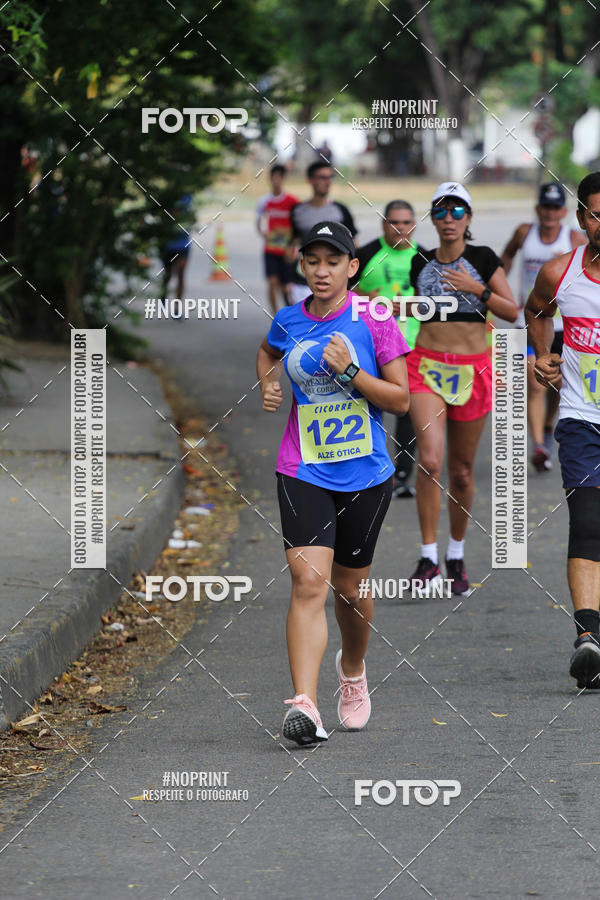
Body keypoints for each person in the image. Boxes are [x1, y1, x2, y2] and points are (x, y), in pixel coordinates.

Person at [256, 221, 410, 745]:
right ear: (302, 266)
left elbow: (400, 400)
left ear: (351, 267)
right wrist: (269, 382)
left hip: (364, 472)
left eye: (332, 261)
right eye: (312, 261)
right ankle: (305, 704)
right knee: (308, 583)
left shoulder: (375, 319)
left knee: (351, 588)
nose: (322, 271)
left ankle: (353, 667)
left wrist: (349, 374)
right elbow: (267, 349)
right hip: (302, 467)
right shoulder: (288, 319)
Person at [407, 182, 517, 595]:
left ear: (469, 218)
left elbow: (511, 311)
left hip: (473, 369)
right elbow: (397, 305)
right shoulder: (418, 260)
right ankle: (428, 557)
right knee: (431, 461)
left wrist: (476, 289)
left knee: (463, 470)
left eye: (457, 211)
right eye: (441, 211)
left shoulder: (484, 258)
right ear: (432, 218)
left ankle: (456, 553)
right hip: (426, 367)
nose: (449, 219)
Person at [525, 171, 600, 690]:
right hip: (581, 418)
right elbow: (535, 312)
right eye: (597, 214)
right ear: (581, 219)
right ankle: (589, 639)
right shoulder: (560, 272)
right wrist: (543, 354)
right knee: (589, 522)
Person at [501, 182, 586, 472]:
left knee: (559, 386)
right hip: (530, 318)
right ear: (538, 208)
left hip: (565, 325)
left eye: (555, 207)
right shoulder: (525, 233)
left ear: (564, 211)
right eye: (545, 207)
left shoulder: (573, 238)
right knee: (534, 379)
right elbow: (507, 256)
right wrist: (504, 293)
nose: (550, 213)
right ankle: (538, 445)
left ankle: (548, 427)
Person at [354, 200, 425, 498]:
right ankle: (367, 469)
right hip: (371, 345)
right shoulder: (367, 254)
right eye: (394, 222)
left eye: (407, 223)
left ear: (414, 225)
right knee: (368, 403)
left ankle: (404, 474)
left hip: (410, 345)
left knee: (406, 410)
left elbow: (434, 305)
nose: (401, 229)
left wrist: (410, 306)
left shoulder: (423, 258)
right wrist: (365, 298)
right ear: (384, 224)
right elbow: (339, 296)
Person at [286, 161, 357, 305]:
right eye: (322, 177)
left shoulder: (341, 210)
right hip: (302, 281)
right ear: (310, 180)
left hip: (335, 283)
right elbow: (291, 243)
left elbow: (354, 245)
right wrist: (286, 277)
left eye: (330, 177)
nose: (327, 181)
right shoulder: (297, 211)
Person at [255, 164, 299, 314]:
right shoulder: (264, 201)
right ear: (270, 179)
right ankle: (274, 317)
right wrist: (263, 233)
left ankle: (288, 313)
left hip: (287, 249)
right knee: (272, 282)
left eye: (279, 177)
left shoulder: (292, 201)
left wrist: (287, 232)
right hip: (270, 248)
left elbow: (297, 225)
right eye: (274, 177)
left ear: (283, 179)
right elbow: (258, 221)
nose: (276, 181)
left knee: (286, 286)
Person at [160, 194, 194, 306]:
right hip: (168, 246)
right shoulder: (170, 195)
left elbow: (192, 218)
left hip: (183, 245)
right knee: (168, 274)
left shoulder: (188, 196)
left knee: (181, 275)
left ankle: (177, 308)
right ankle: (163, 296)